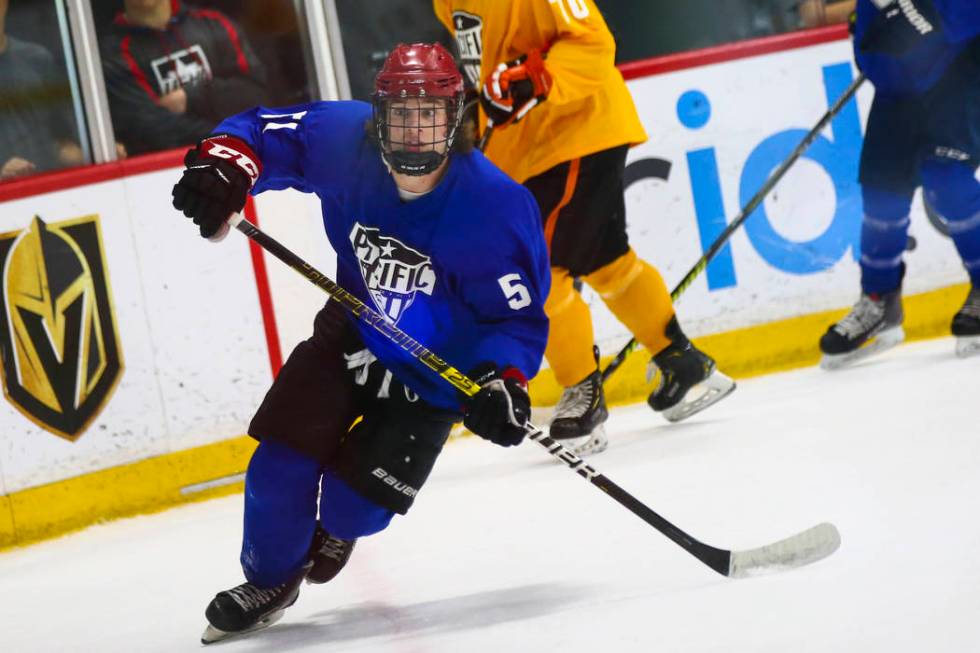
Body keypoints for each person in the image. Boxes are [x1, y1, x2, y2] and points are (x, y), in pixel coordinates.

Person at [171, 42, 550, 642]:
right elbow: (260, 134)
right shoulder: (344, 140)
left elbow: (514, 319)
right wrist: (225, 167)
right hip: (353, 328)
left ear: (455, 117)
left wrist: (502, 380)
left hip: (434, 374)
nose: (415, 132)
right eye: (402, 114)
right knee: (276, 469)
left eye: (430, 115)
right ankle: (270, 579)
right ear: (379, 115)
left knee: (352, 511)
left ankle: (341, 527)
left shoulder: (495, 207)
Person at [433, 0, 735, 456]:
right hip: (535, 147)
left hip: (572, 130)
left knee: (533, 272)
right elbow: (485, 58)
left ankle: (582, 392)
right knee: (607, 261)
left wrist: (533, 77)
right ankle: (682, 362)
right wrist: (477, 106)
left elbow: (592, 41)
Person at [819, 0, 980, 366]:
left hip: (959, 76)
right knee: (882, 192)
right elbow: (874, 41)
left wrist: (897, 7)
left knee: (947, 180)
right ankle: (879, 302)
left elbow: (948, 25)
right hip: (900, 90)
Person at [101, 0, 267, 156]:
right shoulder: (112, 54)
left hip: (246, 156)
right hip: (164, 172)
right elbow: (151, 130)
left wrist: (192, 97)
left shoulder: (216, 24)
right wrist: (231, 136)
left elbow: (256, 93)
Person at [0, 0, 83, 179]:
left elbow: (64, 141)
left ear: (4, 4)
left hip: (49, 188)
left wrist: (103, 153)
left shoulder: (37, 59)